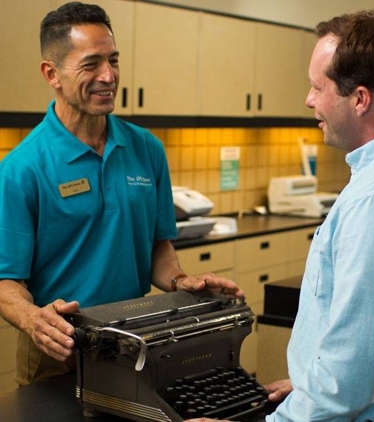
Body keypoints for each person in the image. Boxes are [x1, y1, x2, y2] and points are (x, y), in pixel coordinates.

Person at [186, 9, 374, 422]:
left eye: (317, 88)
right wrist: (310, 385)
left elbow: (350, 379)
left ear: (360, 99)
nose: (308, 100)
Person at [0, 1, 244, 387]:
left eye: (113, 60)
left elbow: (156, 247)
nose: (109, 75)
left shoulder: (146, 149)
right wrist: (33, 318)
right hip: (61, 348)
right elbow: (5, 281)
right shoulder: (21, 169)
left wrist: (182, 281)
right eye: (91, 64)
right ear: (52, 74)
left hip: (135, 337)